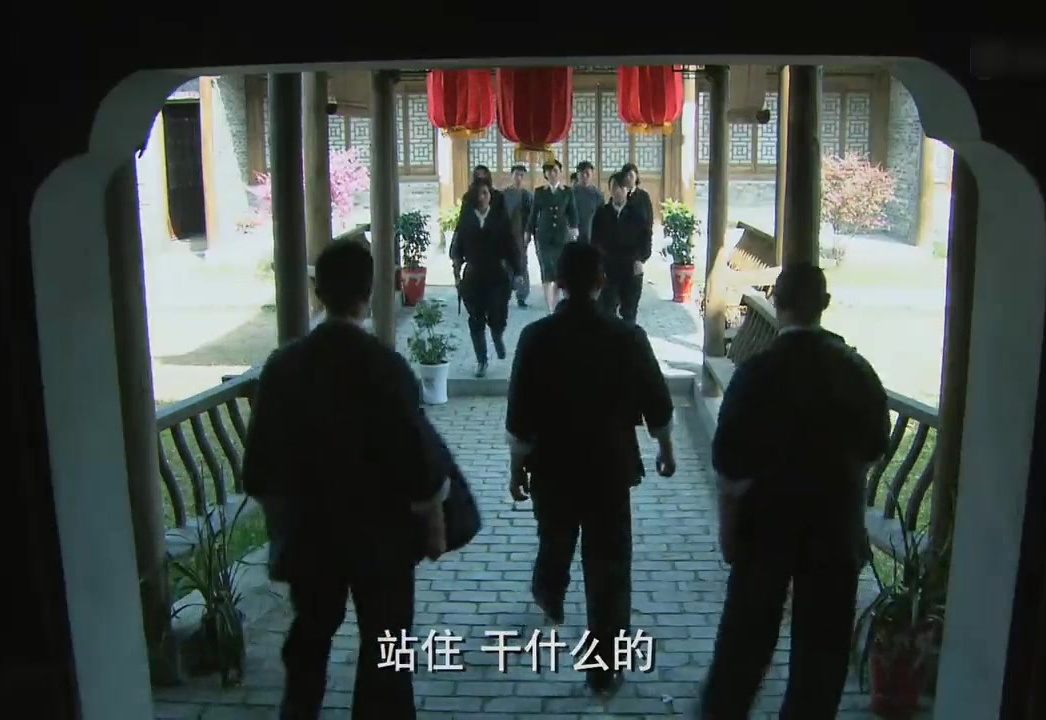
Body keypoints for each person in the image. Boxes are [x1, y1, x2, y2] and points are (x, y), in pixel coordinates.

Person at [242, 238, 451, 720]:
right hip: (382, 537)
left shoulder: (283, 367)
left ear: (317, 291)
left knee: (311, 637)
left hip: (311, 532)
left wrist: (280, 523)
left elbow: (259, 468)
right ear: (369, 291)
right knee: (386, 645)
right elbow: (417, 459)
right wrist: (434, 522)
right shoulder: (386, 366)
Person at [695, 263, 891, 719]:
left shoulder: (756, 374)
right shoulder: (856, 370)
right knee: (822, 654)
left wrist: (728, 531)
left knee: (744, 643)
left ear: (777, 303)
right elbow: (873, 447)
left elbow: (730, 470)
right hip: (834, 529)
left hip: (765, 530)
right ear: (824, 304)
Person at [505, 241, 676, 696]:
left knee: (555, 539)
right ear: (602, 281)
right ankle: (603, 668)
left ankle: (549, 593)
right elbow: (657, 401)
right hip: (609, 469)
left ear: (560, 282)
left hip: (551, 468)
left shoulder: (536, 338)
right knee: (609, 567)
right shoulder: (627, 337)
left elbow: (520, 414)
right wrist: (666, 449)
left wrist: (516, 470)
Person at [451, 178, 522, 377]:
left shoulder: (499, 218)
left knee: (497, 313)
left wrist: (518, 271)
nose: (482, 197)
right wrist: (456, 272)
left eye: (485, 193)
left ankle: (497, 334)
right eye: (479, 194)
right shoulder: (466, 219)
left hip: (497, 275)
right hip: (473, 276)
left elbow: (511, 246)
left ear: (490, 196)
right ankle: (481, 359)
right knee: (476, 318)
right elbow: (457, 247)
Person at [591, 170, 651, 324]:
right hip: (608, 267)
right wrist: (599, 264)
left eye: (622, 187)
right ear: (610, 190)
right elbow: (595, 241)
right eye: (614, 187)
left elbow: (645, 238)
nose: (618, 191)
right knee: (607, 310)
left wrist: (640, 259)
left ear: (627, 190)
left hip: (631, 266)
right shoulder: (602, 213)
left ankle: (629, 337)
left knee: (629, 312)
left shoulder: (637, 213)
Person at [526, 159, 579, 312]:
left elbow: (573, 212)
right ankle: (550, 306)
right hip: (543, 236)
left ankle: (558, 303)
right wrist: (528, 232)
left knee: (560, 270)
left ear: (560, 172)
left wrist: (574, 229)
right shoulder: (540, 192)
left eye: (555, 170)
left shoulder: (567, 191)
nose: (552, 174)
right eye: (549, 171)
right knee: (546, 270)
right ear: (545, 174)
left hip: (562, 236)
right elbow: (533, 214)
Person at [502, 163, 535, 308]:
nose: (519, 178)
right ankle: (504, 293)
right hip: (505, 234)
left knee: (521, 264)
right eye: (516, 175)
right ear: (511, 176)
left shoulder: (527, 195)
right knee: (505, 264)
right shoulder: (503, 195)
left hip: (520, 234)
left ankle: (522, 296)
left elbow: (531, 217)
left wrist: (529, 232)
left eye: (521, 175)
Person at [572, 160, 604, 245]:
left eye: (587, 173)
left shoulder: (598, 194)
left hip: (592, 234)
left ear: (592, 174)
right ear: (577, 175)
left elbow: (601, 216)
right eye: (582, 174)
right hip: (574, 234)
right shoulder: (571, 193)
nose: (584, 176)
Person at [621, 162, 654, 237]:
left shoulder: (643, 196)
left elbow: (649, 219)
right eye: (626, 175)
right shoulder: (619, 195)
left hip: (640, 237)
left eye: (631, 175)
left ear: (636, 176)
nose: (628, 178)